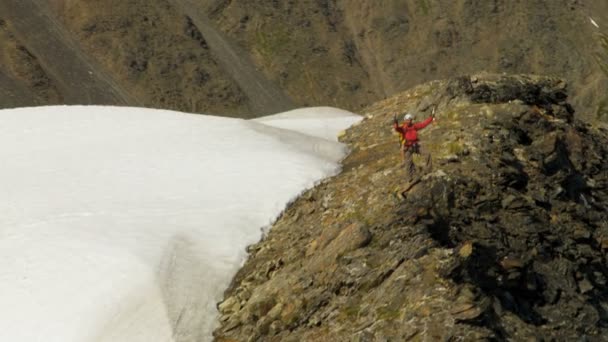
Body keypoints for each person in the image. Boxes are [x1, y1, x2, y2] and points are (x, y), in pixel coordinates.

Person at [393, 112, 434, 186]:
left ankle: (429, 170)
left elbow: (423, 124)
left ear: (411, 120)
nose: (409, 121)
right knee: (408, 163)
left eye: (410, 120)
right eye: (407, 120)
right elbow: (396, 128)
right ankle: (410, 178)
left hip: (416, 146)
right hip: (408, 147)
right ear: (405, 120)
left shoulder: (415, 126)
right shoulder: (403, 128)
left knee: (427, 154)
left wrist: (431, 118)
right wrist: (395, 121)